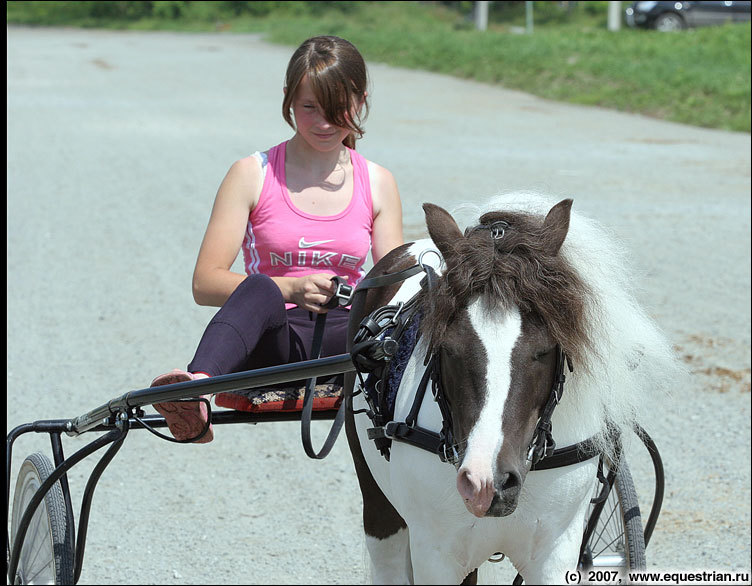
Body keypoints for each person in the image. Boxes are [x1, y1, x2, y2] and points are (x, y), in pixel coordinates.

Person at [150, 35, 404, 443]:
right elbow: (205, 283)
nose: (323, 123)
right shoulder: (251, 173)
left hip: (345, 342)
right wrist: (291, 287)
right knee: (260, 288)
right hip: (274, 337)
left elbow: (395, 288)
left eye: (337, 109)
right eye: (309, 108)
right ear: (287, 99)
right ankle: (193, 393)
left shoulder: (378, 182)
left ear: (360, 101)